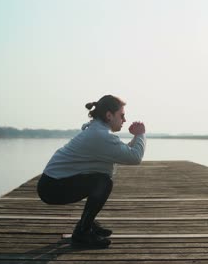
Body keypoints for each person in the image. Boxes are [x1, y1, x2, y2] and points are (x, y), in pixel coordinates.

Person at [37, 95, 146, 248]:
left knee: (101, 180)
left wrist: (136, 137)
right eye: (122, 115)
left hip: (53, 183)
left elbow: (123, 153)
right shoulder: (100, 135)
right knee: (103, 182)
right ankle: (83, 232)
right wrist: (141, 134)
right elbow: (135, 157)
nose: (124, 120)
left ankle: (86, 225)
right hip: (52, 187)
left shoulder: (98, 131)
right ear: (109, 115)